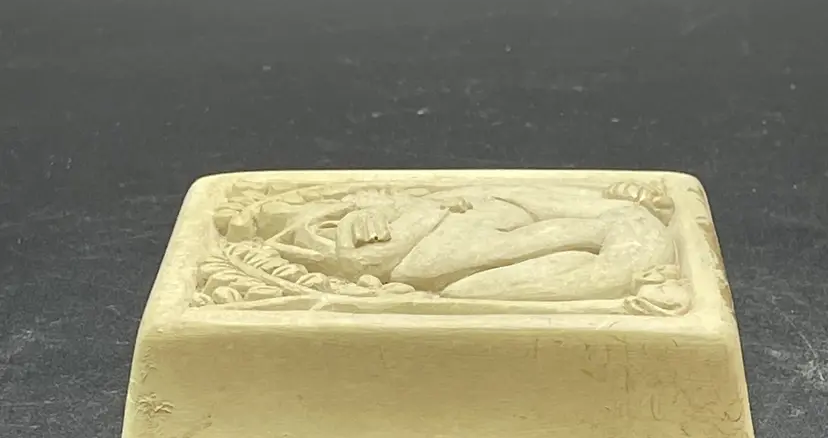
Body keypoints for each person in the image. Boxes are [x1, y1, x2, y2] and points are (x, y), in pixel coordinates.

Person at [254, 180, 677, 302]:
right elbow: (365, 257)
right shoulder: (326, 231)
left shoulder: (475, 204)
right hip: (439, 255)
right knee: (465, 279)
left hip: (473, 225)